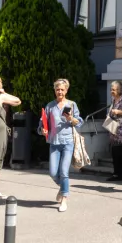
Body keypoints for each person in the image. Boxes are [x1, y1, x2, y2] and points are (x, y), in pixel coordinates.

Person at [40, 78, 83, 212]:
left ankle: (64, 198)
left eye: (62, 89)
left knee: (64, 172)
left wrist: (71, 119)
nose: (60, 92)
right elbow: (43, 123)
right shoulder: (50, 106)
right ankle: (63, 187)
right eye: (57, 89)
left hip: (68, 142)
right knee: (53, 173)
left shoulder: (72, 104)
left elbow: (80, 122)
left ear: (66, 90)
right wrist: (42, 130)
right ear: (54, 90)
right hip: (54, 142)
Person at [105, 80, 122, 182]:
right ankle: (117, 174)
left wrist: (118, 111)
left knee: (120, 149)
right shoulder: (113, 100)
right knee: (114, 151)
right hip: (114, 128)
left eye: (114, 89)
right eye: (111, 89)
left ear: (119, 90)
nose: (111, 91)